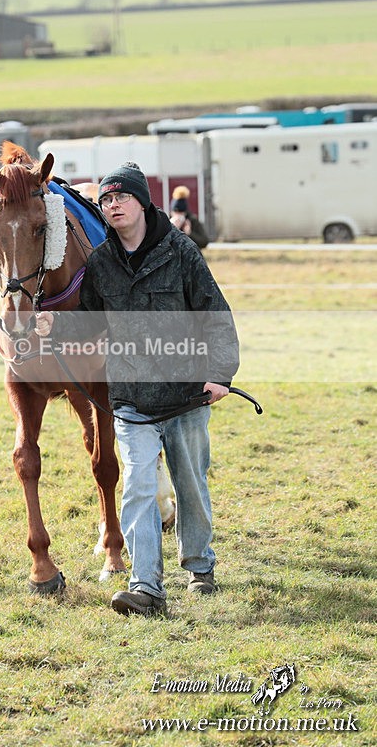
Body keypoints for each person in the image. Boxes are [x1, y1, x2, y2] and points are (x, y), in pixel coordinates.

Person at [34, 162, 239, 616]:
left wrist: (220, 374)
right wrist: (54, 327)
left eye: (121, 197)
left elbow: (215, 313)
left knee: (190, 486)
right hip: (130, 399)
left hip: (186, 395)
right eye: (105, 200)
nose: (112, 206)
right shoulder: (101, 264)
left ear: (142, 201)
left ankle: (200, 566)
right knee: (139, 487)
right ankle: (146, 586)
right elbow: (88, 326)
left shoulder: (181, 252)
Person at [170, 185, 209, 251]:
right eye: (175, 212)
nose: (178, 216)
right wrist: (172, 230)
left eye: (180, 213)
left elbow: (204, 242)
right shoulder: (167, 221)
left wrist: (189, 233)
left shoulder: (192, 220)